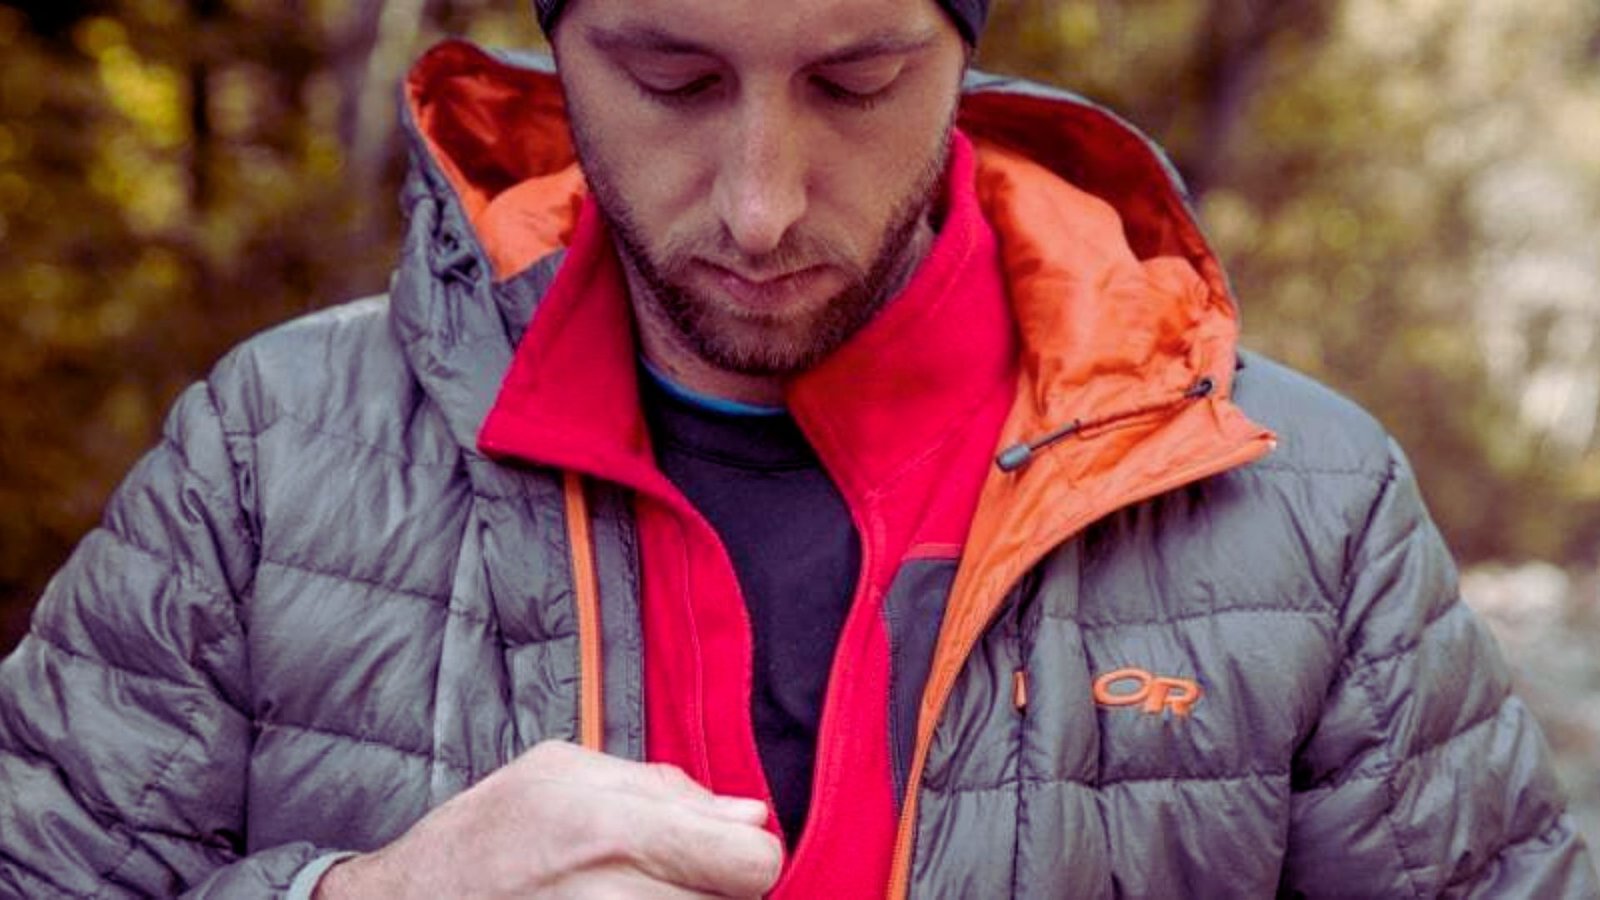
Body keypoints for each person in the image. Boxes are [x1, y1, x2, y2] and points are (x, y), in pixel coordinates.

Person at [0, 0, 1593, 896]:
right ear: (561, 50)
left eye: (858, 80)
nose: (761, 203)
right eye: (670, 79)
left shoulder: (1305, 507)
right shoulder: (268, 454)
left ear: (965, 55)